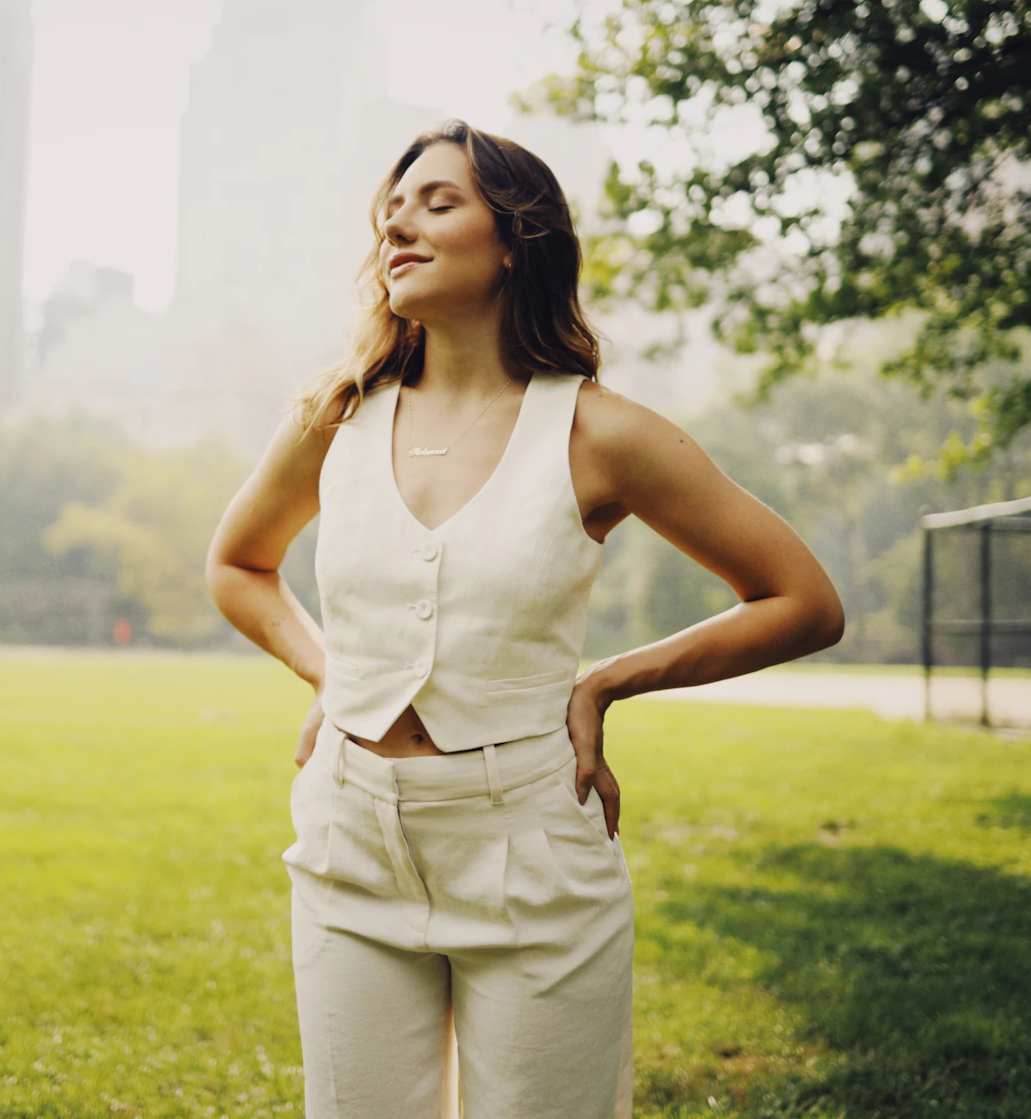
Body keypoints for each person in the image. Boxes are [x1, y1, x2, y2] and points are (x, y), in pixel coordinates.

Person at [204, 120, 844, 1119]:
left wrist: (607, 679)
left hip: (535, 854)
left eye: (437, 202)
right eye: (392, 209)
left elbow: (801, 600)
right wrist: (333, 675)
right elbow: (238, 564)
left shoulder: (603, 432)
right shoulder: (337, 414)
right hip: (348, 843)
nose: (398, 225)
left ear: (513, 240)